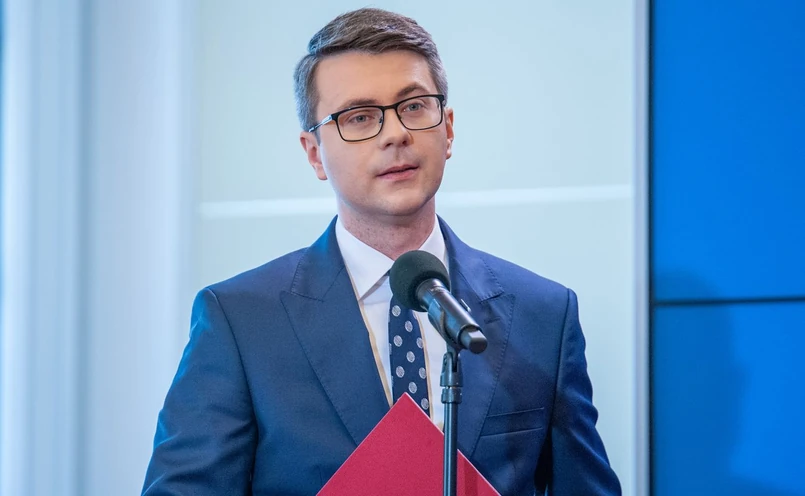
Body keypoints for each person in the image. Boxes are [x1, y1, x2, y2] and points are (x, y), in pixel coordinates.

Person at [142, 8, 621, 495]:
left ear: (448, 129)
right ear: (314, 153)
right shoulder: (242, 321)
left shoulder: (544, 316)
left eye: (414, 106)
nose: (395, 134)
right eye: (360, 117)